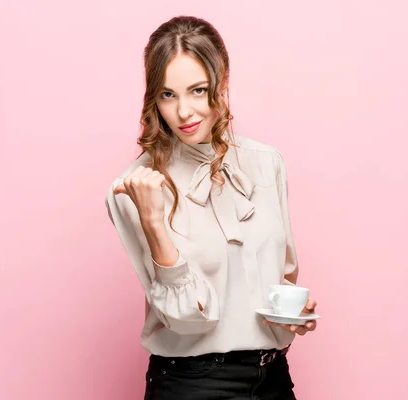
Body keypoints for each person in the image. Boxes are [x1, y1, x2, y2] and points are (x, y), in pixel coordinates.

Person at [105, 15, 318, 400]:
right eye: (168, 94)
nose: (184, 111)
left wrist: (292, 315)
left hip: (273, 378)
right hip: (193, 384)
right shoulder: (138, 185)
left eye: (198, 90)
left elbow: (281, 274)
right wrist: (154, 221)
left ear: (223, 82)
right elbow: (185, 319)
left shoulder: (265, 162)